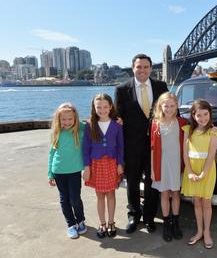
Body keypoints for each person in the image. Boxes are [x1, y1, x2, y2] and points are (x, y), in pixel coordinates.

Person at [114, 53, 169, 233]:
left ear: (151, 69)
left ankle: (149, 217)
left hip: (155, 144)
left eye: (146, 67)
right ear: (133, 68)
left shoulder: (161, 86)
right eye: (139, 67)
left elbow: (168, 112)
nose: (142, 70)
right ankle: (134, 216)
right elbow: (117, 118)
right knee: (132, 182)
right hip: (132, 145)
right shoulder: (122, 90)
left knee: (153, 181)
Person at [83, 93, 124, 238]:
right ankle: (102, 223)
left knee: (111, 194)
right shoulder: (89, 125)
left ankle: (111, 222)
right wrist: (86, 167)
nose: (102, 109)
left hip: (112, 163)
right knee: (100, 195)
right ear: (94, 108)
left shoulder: (117, 124)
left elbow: (121, 146)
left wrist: (120, 163)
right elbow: (85, 148)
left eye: (105, 106)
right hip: (96, 164)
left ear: (111, 107)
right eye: (98, 107)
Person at [181, 99, 217, 249]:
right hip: (192, 170)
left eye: (206, 114)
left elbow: (211, 155)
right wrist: (189, 172)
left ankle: (207, 232)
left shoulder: (213, 131)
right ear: (193, 115)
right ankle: (199, 231)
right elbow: (185, 153)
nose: (203, 118)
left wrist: (204, 173)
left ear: (210, 114)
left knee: (206, 202)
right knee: (196, 201)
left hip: (207, 170)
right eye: (199, 115)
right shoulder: (188, 130)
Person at [150, 92, 188, 242]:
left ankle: (176, 221)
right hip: (161, 164)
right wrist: (153, 170)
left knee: (176, 194)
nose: (169, 109)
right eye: (166, 106)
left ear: (177, 106)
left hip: (177, 163)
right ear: (161, 106)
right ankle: (166, 222)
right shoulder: (156, 123)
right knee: (164, 194)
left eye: (172, 106)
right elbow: (152, 148)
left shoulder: (183, 122)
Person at [48, 103, 87, 239]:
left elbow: (92, 125)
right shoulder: (56, 132)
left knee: (75, 198)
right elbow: (52, 153)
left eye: (70, 119)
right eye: (63, 119)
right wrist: (50, 173)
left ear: (75, 118)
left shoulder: (80, 130)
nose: (67, 122)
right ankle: (71, 224)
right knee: (64, 199)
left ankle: (80, 220)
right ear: (58, 120)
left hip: (75, 170)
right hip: (58, 170)